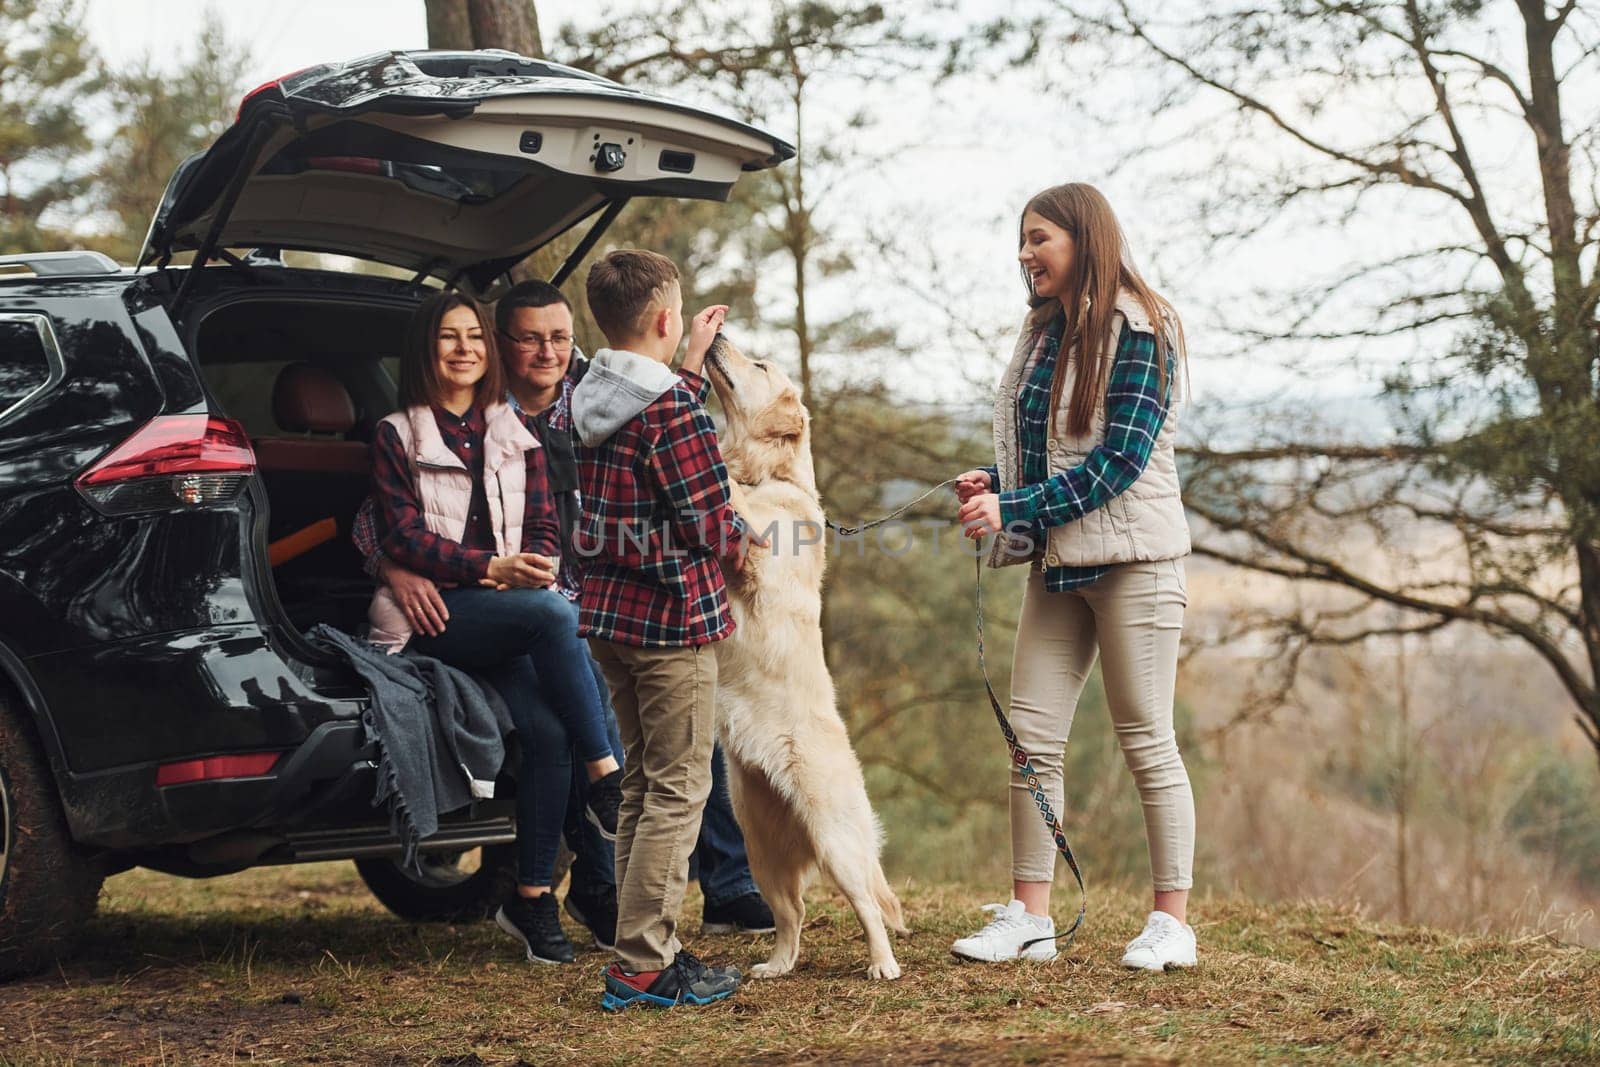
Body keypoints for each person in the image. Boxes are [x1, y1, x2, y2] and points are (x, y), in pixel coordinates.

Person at [356, 281, 775, 955]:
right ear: (504, 346)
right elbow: (382, 525)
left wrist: (689, 364)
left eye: (560, 337)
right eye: (528, 338)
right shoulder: (420, 429)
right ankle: (604, 881)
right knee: (633, 742)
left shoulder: (571, 403)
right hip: (517, 606)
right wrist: (401, 566)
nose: (549, 351)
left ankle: (695, 887)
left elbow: (661, 431)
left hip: (575, 600)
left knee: (611, 727)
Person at [950, 182, 1198, 971]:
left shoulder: (1141, 329)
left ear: (1085, 239)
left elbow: (1118, 462)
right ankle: (1030, 914)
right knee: (1030, 740)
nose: (1025, 254)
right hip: (1061, 559)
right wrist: (994, 482)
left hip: (1137, 564)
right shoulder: (1047, 332)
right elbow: (1051, 449)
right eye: (1022, 239)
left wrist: (1014, 502)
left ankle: (1172, 924)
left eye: (1039, 238)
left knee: (1146, 740)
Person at [363, 290, 622, 966]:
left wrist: (525, 564)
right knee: (552, 612)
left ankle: (530, 897)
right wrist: (493, 568)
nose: (466, 348)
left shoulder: (516, 431)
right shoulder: (398, 433)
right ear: (427, 349)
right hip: (438, 616)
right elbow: (403, 535)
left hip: (506, 613)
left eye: (474, 336)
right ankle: (606, 778)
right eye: (450, 337)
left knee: (547, 728)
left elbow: (542, 527)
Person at [570, 249, 764, 1011]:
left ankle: (639, 948)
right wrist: (746, 548)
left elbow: (644, 427)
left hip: (609, 623)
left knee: (643, 785)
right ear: (662, 318)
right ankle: (644, 966)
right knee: (680, 790)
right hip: (671, 625)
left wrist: (686, 361)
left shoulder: (586, 395)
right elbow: (707, 517)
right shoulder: (677, 413)